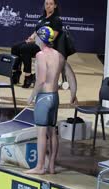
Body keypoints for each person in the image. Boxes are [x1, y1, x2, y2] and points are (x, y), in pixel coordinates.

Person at [25, 26, 78, 175]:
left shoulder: (41, 55)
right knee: (52, 132)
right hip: (54, 98)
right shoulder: (60, 56)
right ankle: (52, 166)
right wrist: (73, 95)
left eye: (36, 35)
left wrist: (32, 96)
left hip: (43, 98)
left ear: (41, 38)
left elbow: (41, 80)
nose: (34, 37)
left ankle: (40, 166)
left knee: (41, 132)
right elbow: (72, 77)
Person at [11, 0, 66, 88]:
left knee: (25, 48)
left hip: (47, 46)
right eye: (46, 4)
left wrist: (36, 41)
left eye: (51, 4)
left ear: (55, 6)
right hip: (37, 42)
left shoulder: (56, 20)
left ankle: (28, 76)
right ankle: (16, 73)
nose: (48, 6)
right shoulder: (42, 18)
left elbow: (52, 37)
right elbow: (36, 32)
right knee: (15, 47)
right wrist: (31, 37)